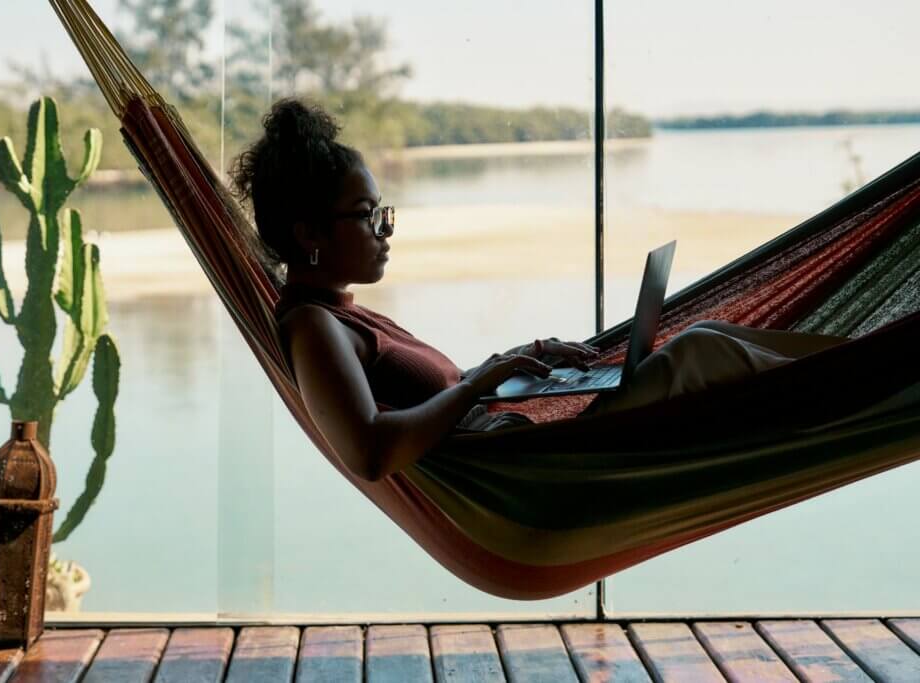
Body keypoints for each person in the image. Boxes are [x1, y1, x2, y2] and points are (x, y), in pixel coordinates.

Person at [229, 98, 846, 482]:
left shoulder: (341, 313)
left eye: (381, 212)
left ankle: (860, 365)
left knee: (704, 339)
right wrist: (477, 385)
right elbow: (368, 451)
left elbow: (437, 399)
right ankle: (860, 379)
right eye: (368, 215)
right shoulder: (313, 326)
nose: (384, 230)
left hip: (531, 446)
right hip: (542, 471)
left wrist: (520, 359)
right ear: (309, 232)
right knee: (700, 350)